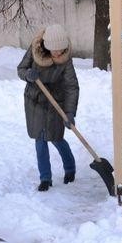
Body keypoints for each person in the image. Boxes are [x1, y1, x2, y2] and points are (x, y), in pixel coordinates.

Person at [17, 24, 78, 191]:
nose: (58, 53)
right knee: (40, 139)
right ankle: (45, 178)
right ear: (47, 45)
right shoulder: (34, 50)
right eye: (55, 50)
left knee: (56, 137)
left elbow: (71, 86)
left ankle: (70, 169)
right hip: (34, 100)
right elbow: (21, 69)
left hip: (55, 102)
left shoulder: (66, 59)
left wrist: (70, 112)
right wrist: (28, 75)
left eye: (61, 50)